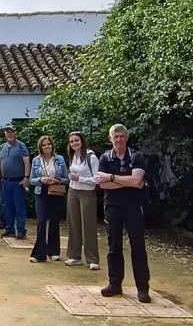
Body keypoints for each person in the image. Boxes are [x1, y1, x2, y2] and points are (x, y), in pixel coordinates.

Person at [96, 124, 151, 303]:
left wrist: (113, 178)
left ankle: (142, 288)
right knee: (114, 247)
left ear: (127, 137)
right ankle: (115, 284)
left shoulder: (136, 156)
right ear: (110, 138)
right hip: (112, 206)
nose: (119, 140)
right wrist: (127, 181)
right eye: (115, 137)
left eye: (121, 136)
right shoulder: (105, 158)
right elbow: (102, 185)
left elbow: (137, 180)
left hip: (134, 206)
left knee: (138, 246)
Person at [28, 136, 69, 263]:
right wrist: (41, 179)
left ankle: (54, 251)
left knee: (54, 221)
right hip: (41, 192)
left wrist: (57, 180)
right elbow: (31, 180)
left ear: (52, 145)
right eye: (44, 145)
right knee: (41, 222)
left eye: (48, 144)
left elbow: (66, 178)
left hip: (55, 191)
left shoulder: (60, 159)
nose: (47, 147)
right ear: (40, 147)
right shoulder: (36, 160)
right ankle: (39, 254)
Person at [65, 131, 100, 270]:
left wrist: (80, 179)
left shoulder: (91, 157)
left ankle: (92, 259)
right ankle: (74, 256)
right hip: (73, 191)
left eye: (76, 140)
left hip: (87, 193)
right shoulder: (73, 155)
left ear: (82, 141)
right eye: (72, 141)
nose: (74, 143)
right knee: (73, 224)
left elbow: (97, 179)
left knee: (88, 225)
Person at [0, 124, 30, 240]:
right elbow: (0, 163)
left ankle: (21, 231)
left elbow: (26, 162)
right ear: (5, 134)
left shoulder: (21, 146)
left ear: (16, 133)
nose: (10, 134)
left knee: (19, 206)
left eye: (12, 132)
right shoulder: (3, 147)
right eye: (7, 132)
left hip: (18, 181)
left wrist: (26, 177)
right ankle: (9, 229)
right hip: (6, 182)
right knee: (7, 207)